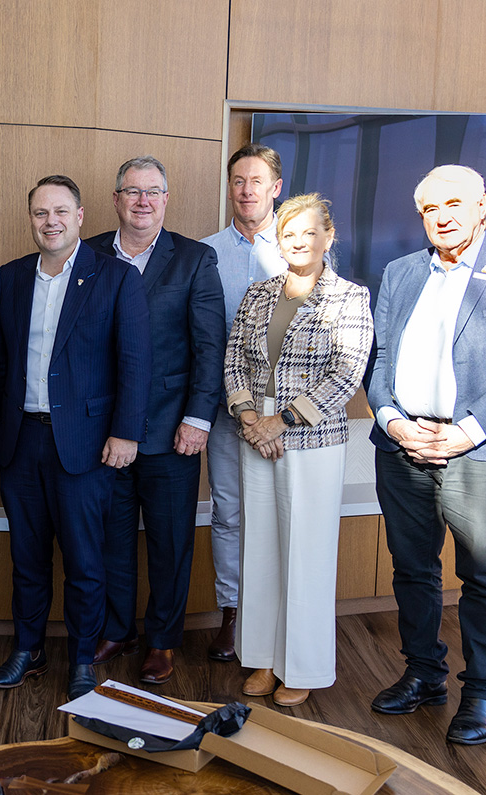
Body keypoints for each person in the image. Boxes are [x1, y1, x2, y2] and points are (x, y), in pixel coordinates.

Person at [367, 165, 486, 745]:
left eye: (454, 203)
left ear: (482, 206)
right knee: (412, 567)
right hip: (403, 445)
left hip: (479, 451)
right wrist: (393, 421)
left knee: (484, 572)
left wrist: (467, 433)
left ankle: (481, 691)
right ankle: (423, 674)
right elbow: (381, 362)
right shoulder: (400, 272)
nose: (442, 217)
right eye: (430, 209)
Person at [0, 176, 151, 700]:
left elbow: (135, 362)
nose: (50, 221)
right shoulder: (12, 276)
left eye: (60, 211)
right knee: (27, 557)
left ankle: (82, 658)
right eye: (41, 213)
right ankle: (28, 650)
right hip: (21, 441)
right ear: (31, 219)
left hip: (85, 444)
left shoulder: (116, 277)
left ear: (80, 216)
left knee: (84, 561)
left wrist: (126, 433)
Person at [223, 193, 372, 708]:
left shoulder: (349, 297)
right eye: (289, 234)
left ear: (329, 237)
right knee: (260, 548)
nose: (299, 241)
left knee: (306, 554)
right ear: (278, 241)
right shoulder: (258, 293)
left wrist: (280, 421)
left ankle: (302, 665)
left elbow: (346, 374)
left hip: (309, 437)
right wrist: (249, 416)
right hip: (255, 432)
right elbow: (233, 359)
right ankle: (263, 659)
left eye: (310, 232)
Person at [85, 156, 225, 685]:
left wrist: (198, 418)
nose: (142, 201)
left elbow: (209, 348)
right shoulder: (88, 253)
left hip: (173, 432)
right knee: (112, 539)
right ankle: (117, 629)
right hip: (103, 431)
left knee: (169, 542)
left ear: (166, 200)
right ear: (116, 199)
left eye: (152, 192)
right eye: (132, 191)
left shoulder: (194, 259)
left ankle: (163, 640)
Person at [200, 144, 288, 663]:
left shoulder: (300, 247)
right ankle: (232, 613)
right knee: (229, 514)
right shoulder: (205, 253)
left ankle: (274, 615)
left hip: (285, 418)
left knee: (279, 515)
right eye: (237, 180)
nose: (246, 190)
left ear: (276, 188)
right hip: (224, 410)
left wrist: (277, 416)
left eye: (256, 181)